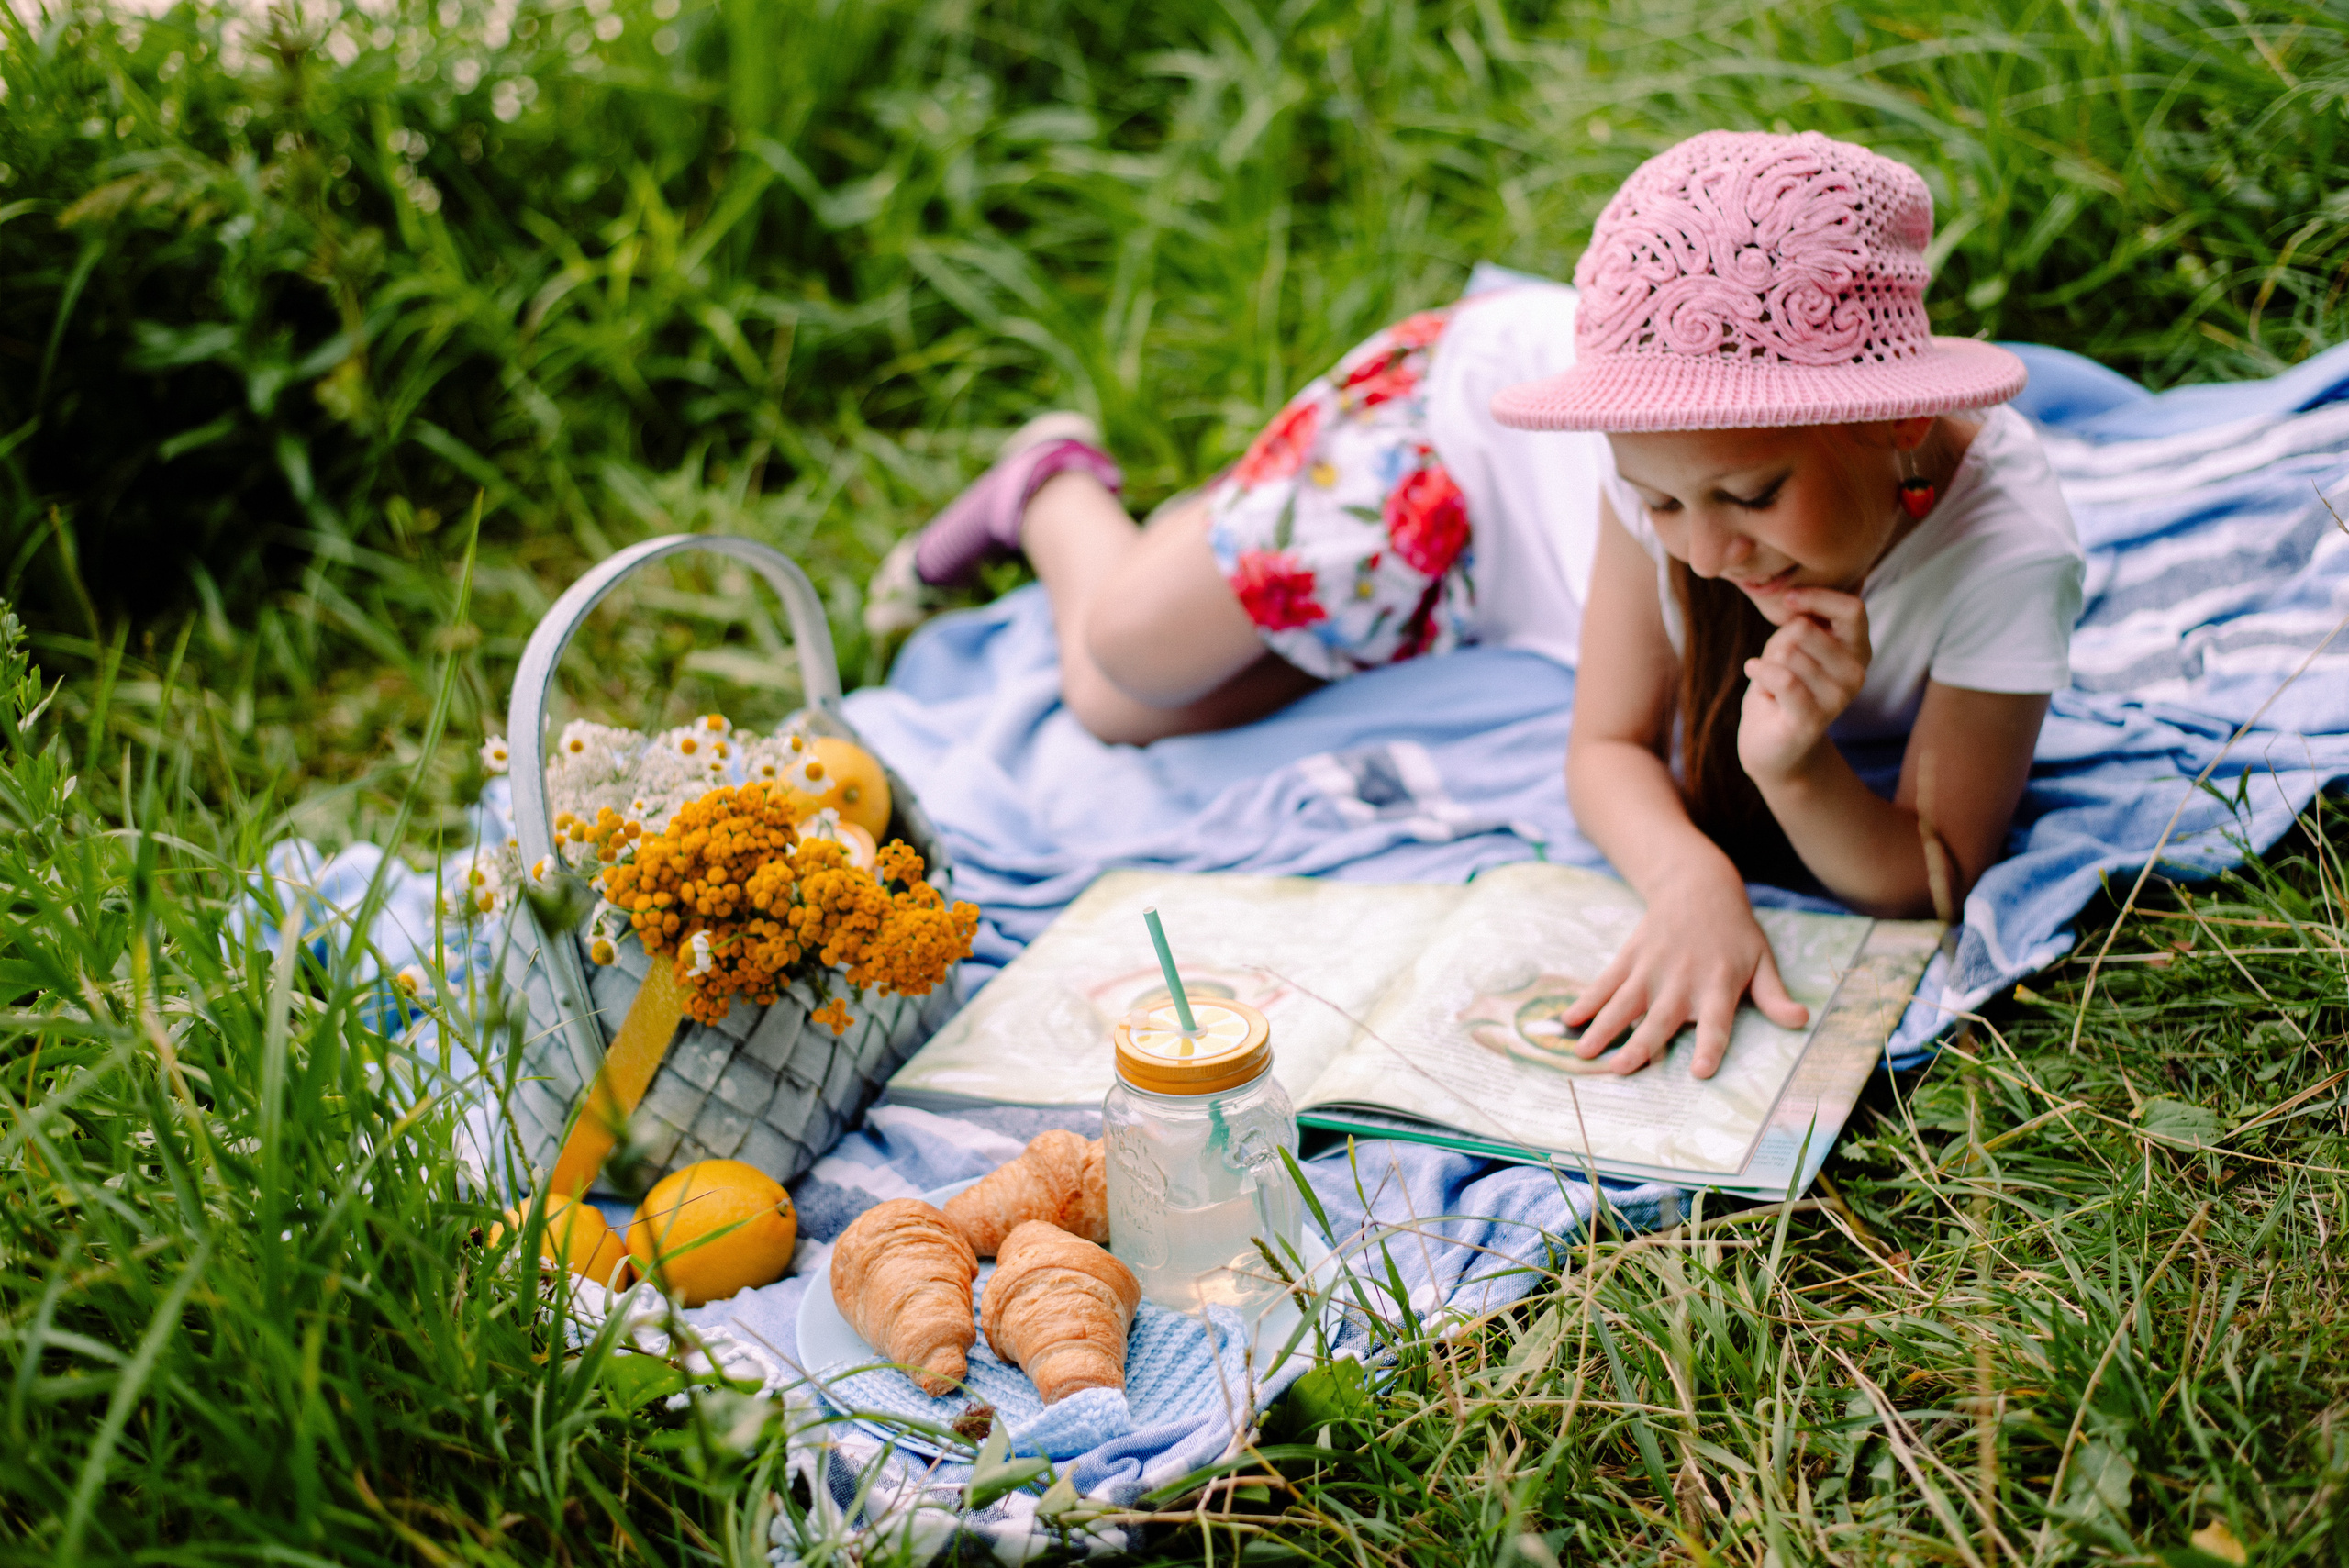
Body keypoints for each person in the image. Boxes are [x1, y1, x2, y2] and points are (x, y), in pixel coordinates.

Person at [880, 130, 2083, 1080]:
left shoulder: (2005, 547)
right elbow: (1606, 744)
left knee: (1133, 707)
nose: (1709, 550)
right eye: (1663, 506)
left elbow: (1932, 872)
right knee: (1119, 667)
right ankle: (1054, 482)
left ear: (1897, 420)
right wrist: (1689, 879)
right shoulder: (1668, 463)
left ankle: (1229, 519)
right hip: (1447, 463)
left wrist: (1793, 769)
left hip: (1503, 578)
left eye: (1753, 495)